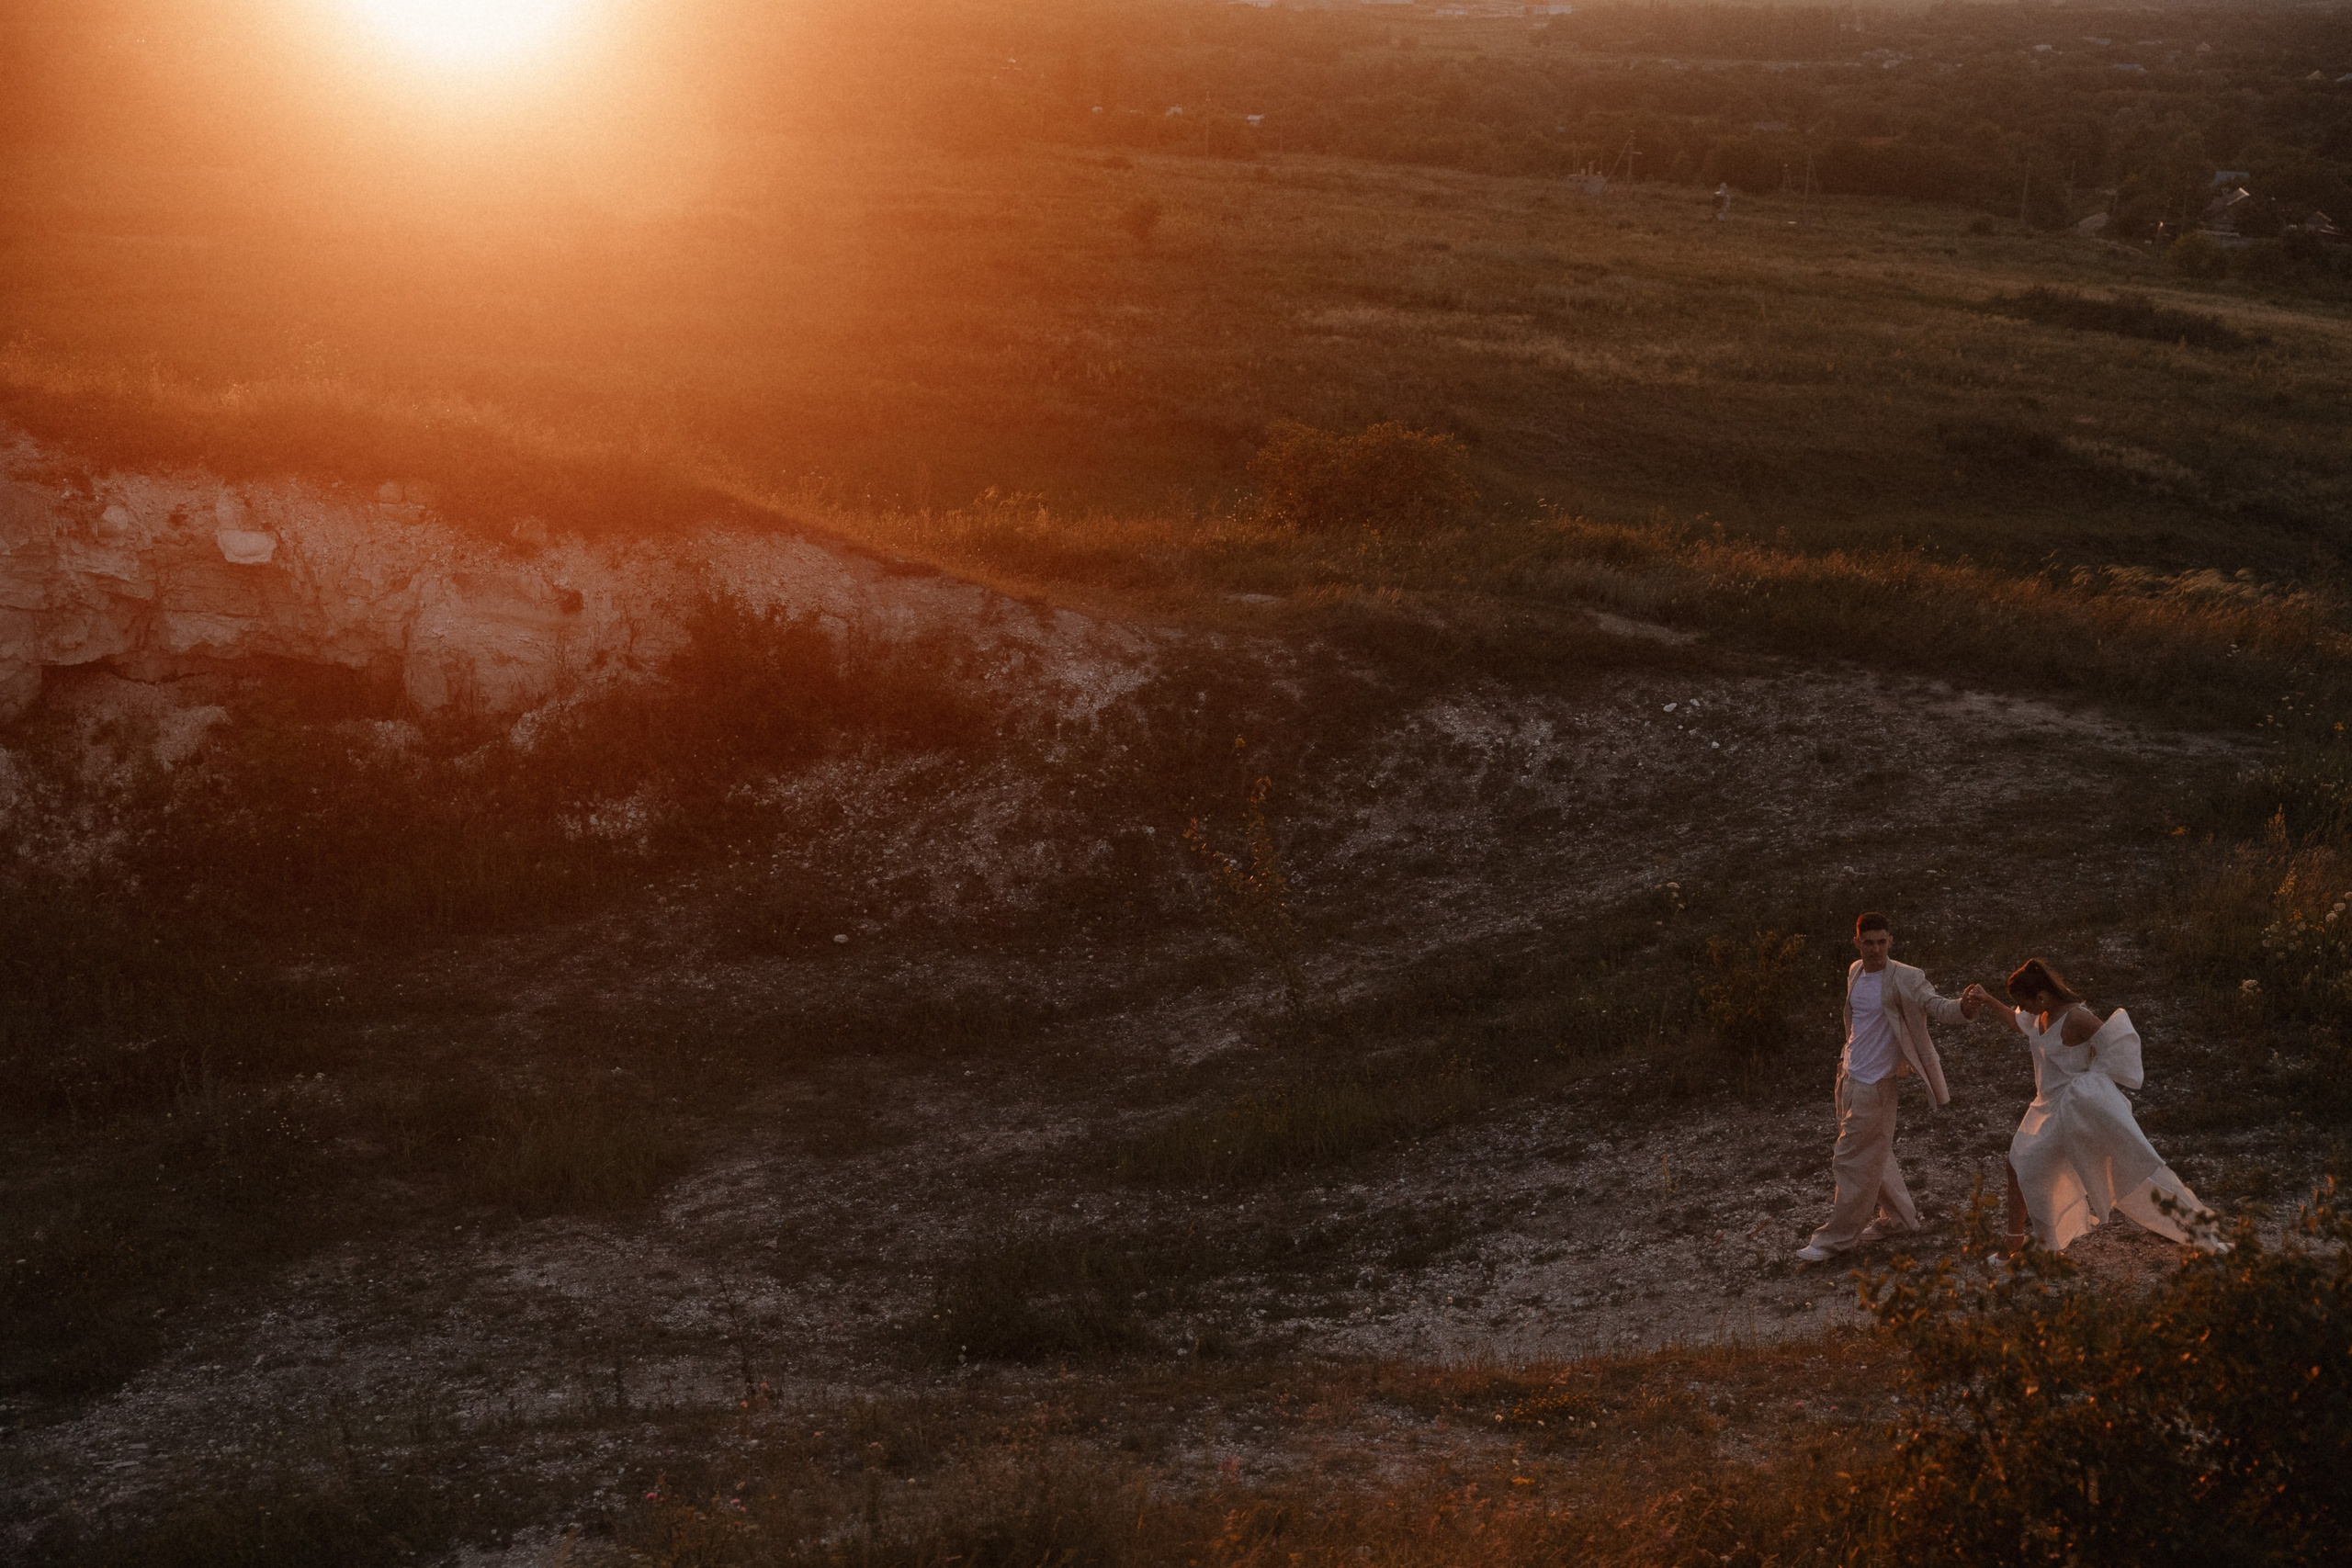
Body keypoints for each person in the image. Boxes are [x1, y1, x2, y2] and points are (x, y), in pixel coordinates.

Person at [1962, 961, 2226, 1253]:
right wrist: (1987, 1000)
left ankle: (2202, 1235)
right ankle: (2022, 1243)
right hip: (2045, 1109)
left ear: (2042, 997)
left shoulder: (2076, 1018)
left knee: (2136, 1174)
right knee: (2019, 1167)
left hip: (2072, 1111)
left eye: (2025, 1004)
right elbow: (2017, 1023)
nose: (2023, 1011)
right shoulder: (2040, 1015)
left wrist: (2089, 1086)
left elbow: (2117, 1046)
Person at [1795, 913, 1984, 1265]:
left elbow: (1937, 1005)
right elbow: (1858, 1023)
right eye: (1869, 942)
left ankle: (1833, 1240)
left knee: (1850, 1159)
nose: (1876, 949)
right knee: (1874, 1152)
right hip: (1848, 1077)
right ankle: (1901, 1220)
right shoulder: (1855, 971)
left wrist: (1965, 1008)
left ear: (1891, 942)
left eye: (1882, 942)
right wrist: (1845, 1064)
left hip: (1876, 1085)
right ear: (1857, 944)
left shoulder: (1906, 977)